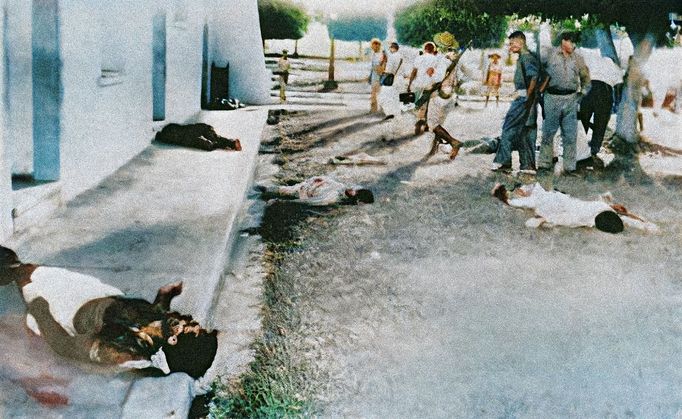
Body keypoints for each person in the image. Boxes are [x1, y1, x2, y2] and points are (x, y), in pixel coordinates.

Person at [0, 246, 218, 379]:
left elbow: (64, 346)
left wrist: (38, 305)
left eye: (188, 327)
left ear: (172, 340)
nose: (189, 318)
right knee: (21, 266)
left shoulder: (122, 351)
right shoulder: (155, 328)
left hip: (61, 304)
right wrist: (164, 298)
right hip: (90, 293)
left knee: (18, 270)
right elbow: (150, 319)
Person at [491, 183, 658, 233]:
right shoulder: (536, 196)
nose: (520, 191)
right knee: (622, 216)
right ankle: (644, 225)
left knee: (555, 219)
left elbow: (511, 202)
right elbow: (511, 202)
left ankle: (642, 224)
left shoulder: (536, 195)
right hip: (579, 209)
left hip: (573, 210)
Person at [537, 31, 591, 175]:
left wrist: (581, 94)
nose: (573, 45)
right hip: (551, 98)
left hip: (571, 99)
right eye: (571, 42)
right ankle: (544, 164)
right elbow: (538, 71)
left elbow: (586, 79)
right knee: (548, 132)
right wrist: (540, 91)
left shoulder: (578, 59)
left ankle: (569, 167)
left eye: (575, 43)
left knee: (570, 134)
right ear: (563, 41)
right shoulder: (550, 55)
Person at [491, 31, 540, 173]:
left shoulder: (527, 58)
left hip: (524, 99)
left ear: (521, 42)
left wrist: (527, 98)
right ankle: (527, 165)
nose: (510, 47)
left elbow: (534, 78)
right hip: (528, 99)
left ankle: (503, 161)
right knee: (526, 130)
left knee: (508, 128)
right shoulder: (525, 57)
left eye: (512, 43)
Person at [423, 32, 465, 160]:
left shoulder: (443, 60)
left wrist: (430, 75)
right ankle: (434, 148)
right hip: (449, 94)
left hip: (439, 94)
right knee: (438, 123)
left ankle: (453, 142)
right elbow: (461, 78)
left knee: (432, 123)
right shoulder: (455, 61)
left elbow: (437, 78)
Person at [578, 51, 623, 165]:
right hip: (604, 90)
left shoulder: (591, 60)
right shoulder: (613, 65)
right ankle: (594, 149)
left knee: (583, 120)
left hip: (589, 88)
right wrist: (617, 103)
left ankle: (580, 150)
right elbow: (618, 84)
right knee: (601, 123)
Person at [258, 176, 374, 206]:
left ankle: (265, 192)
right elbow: (330, 180)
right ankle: (264, 189)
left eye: (355, 191)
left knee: (285, 190)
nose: (353, 189)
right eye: (356, 189)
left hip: (304, 192)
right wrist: (322, 180)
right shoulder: (341, 187)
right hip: (308, 185)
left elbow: (310, 202)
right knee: (283, 189)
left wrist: (281, 202)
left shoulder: (331, 198)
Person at [407, 42, 439, 135]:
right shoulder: (435, 59)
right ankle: (423, 123)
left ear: (425, 49)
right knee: (427, 105)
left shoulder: (418, 58)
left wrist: (410, 84)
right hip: (429, 84)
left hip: (418, 84)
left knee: (418, 104)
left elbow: (414, 72)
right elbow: (435, 73)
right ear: (433, 50)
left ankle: (421, 121)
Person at [378, 42, 404, 120]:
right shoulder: (401, 57)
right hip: (400, 79)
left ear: (392, 48)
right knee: (396, 97)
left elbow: (389, 70)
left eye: (390, 48)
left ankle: (390, 113)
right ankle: (397, 113)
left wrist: (382, 72)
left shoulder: (392, 57)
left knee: (385, 97)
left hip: (392, 79)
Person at [369, 39, 386, 114]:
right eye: (372, 46)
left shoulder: (381, 55)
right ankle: (373, 109)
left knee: (379, 93)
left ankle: (382, 109)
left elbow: (383, 66)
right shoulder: (374, 54)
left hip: (379, 76)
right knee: (373, 93)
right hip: (374, 76)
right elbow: (373, 66)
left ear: (378, 45)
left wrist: (378, 69)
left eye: (374, 46)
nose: (373, 48)